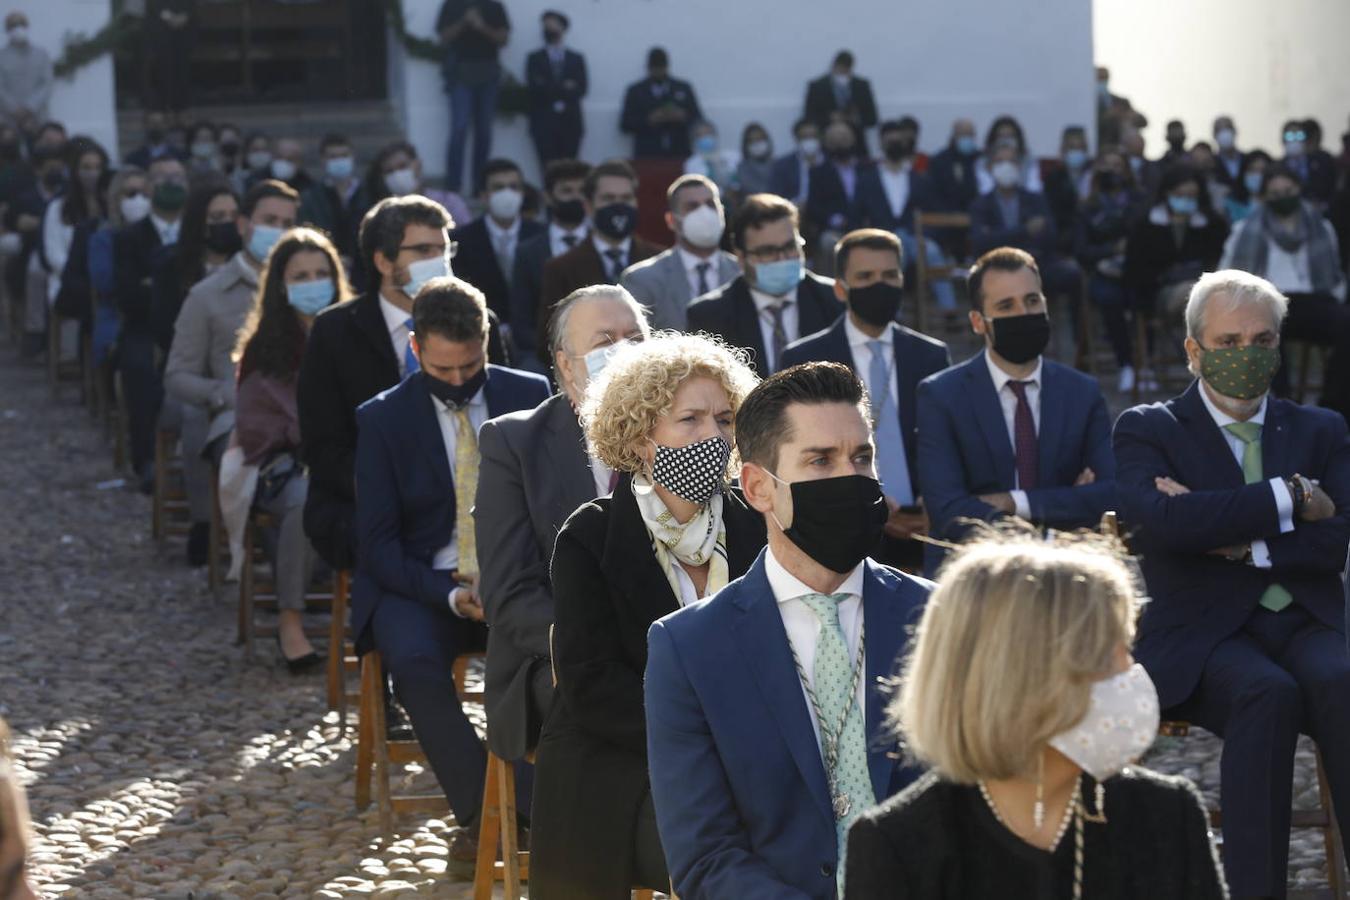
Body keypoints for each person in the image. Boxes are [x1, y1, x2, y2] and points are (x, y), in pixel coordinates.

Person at [646, 360, 931, 898]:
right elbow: (704, 857)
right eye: (820, 461)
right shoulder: (689, 648)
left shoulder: (940, 619)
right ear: (758, 488)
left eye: (861, 457)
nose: (849, 477)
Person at [1113, 270, 1350, 898]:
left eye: (1261, 339)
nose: (1247, 355)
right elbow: (1162, 525)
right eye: (1228, 342)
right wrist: (1290, 495)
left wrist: (1232, 536)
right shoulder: (1148, 427)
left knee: (1341, 679)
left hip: (1304, 619)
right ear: (1194, 351)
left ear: (1278, 344)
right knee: (1265, 694)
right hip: (1203, 634)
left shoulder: (1319, 429)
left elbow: (1334, 543)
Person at [844, 532, 1226, 900]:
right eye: (1109, 652)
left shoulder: (1167, 814)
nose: (1131, 672)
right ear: (1028, 678)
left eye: (1127, 646)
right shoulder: (899, 844)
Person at [531, 331, 765, 898]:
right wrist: (700, 740)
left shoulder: (760, 520)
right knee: (719, 862)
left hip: (756, 757)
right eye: (691, 420)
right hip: (625, 762)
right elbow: (590, 682)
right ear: (640, 439)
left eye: (725, 419)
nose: (713, 435)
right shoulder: (590, 534)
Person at [354, 276, 549, 866]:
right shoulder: (382, 419)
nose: (461, 382)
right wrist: (449, 594)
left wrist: (507, 583)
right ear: (415, 350)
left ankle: (521, 813)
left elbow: (551, 511)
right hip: (421, 585)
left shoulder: (529, 393)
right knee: (412, 664)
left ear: (488, 340)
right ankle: (497, 814)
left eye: (472, 366)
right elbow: (378, 545)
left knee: (551, 655)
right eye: (444, 370)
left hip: (516, 578)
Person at [475, 284, 650, 765]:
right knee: (626, 708)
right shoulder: (514, 443)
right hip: (554, 658)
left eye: (636, 338)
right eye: (604, 342)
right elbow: (509, 593)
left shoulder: (679, 434)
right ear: (567, 364)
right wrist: (602, 646)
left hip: (665, 652)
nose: (625, 352)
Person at [916, 247, 1116, 576]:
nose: (1023, 313)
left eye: (1032, 301)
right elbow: (948, 510)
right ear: (979, 322)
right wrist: (1062, 509)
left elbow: (1112, 493)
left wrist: (1013, 503)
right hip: (973, 575)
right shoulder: (941, 395)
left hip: (1066, 573)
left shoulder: (1082, 391)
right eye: (1006, 306)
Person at [299, 195, 458, 571]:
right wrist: (393, 492)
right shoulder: (334, 331)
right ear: (383, 260)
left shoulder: (477, 323)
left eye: (444, 249)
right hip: (364, 499)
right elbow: (322, 445)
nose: (439, 261)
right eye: (423, 250)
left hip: (464, 494)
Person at [781, 230, 950, 571]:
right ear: (841, 288)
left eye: (890, 275)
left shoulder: (930, 355)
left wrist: (932, 498)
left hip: (925, 527)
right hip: (846, 531)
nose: (880, 285)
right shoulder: (806, 358)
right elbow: (802, 453)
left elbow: (943, 441)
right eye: (866, 277)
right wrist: (868, 501)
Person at [233, 227, 348, 669]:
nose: (313, 283)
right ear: (281, 285)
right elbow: (255, 423)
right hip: (285, 466)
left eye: (322, 273)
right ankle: (291, 618)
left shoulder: (354, 333)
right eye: (301, 276)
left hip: (347, 455)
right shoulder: (265, 347)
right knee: (306, 502)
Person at [165, 179, 300, 471]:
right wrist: (220, 392)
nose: (278, 231)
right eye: (269, 221)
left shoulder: (313, 286)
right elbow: (177, 375)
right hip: (240, 416)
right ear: (243, 225)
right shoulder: (207, 295)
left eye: (287, 223)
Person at [1221, 165, 1350, 420]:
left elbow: (1335, 276)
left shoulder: (1322, 227)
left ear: (1298, 189)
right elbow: (1228, 275)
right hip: (1266, 301)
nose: (1283, 197)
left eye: (1288, 190)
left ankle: (1335, 406)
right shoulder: (1246, 229)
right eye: (1275, 193)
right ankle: (1283, 408)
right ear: (1265, 196)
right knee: (1267, 330)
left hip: (1315, 301)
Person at [688, 193, 841, 376]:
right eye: (768, 252)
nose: (782, 258)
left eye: (790, 247)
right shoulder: (711, 316)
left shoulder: (834, 300)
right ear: (742, 258)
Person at [114, 154, 189, 492]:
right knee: (140, 368)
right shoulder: (130, 237)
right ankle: (146, 459)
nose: (170, 184)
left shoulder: (197, 232)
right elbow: (127, 294)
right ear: (148, 187)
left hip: (191, 328)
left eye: (177, 177)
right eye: (162, 178)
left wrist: (155, 284)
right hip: (144, 327)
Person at [536, 159, 660, 351]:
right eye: (608, 199)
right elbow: (550, 340)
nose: (618, 206)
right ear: (588, 206)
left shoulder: (659, 260)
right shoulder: (561, 268)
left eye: (626, 198)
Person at [1123, 163, 1228, 378]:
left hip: (1208, 291)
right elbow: (1135, 269)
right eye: (1181, 194)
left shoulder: (1212, 225)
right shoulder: (1147, 225)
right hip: (1159, 294)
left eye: (1192, 195)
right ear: (1168, 193)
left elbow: (1220, 260)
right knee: (1192, 295)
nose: (1186, 200)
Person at [857, 118, 956, 311]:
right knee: (894, 255)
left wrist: (923, 235)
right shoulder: (868, 180)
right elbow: (857, 214)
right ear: (881, 143)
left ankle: (949, 311)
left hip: (914, 237)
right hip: (881, 238)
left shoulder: (919, 179)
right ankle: (893, 313)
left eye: (898, 141)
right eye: (890, 141)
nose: (894, 145)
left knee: (933, 250)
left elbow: (934, 213)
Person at [619, 173, 738, 331]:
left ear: (722, 213)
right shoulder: (642, 280)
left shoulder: (743, 273)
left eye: (710, 204)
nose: (704, 213)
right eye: (692, 207)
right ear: (671, 221)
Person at [1075, 148, 1147, 392]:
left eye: (1118, 166)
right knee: (1110, 298)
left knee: (1147, 295)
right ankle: (1125, 363)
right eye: (1107, 166)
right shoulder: (1089, 207)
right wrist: (1111, 250)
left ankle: (1145, 363)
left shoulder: (1139, 201)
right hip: (1103, 272)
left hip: (1136, 269)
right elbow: (1082, 250)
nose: (1113, 172)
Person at [508, 157, 590, 361]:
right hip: (546, 353)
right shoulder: (528, 251)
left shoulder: (603, 246)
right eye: (567, 191)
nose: (575, 198)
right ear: (548, 197)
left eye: (582, 191)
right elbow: (521, 320)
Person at [448, 158, 544, 333]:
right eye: (499, 187)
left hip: (535, 335)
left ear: (522, 193)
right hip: (482, 331)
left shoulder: (541, 235)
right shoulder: (460, 240)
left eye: (514, 187)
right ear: (484, 195)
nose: (507, 193)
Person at [437, 0, 510, 193]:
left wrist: (481, 26)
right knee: (459, 129)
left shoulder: (494, 6)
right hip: (460, 75)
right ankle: (454, 186)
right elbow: (443, 37)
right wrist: (464, 22)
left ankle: (480, 186)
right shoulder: (451, 5)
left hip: (488, 75)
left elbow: (503, 40)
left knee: (484, 132)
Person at [42, 138, 107, 312]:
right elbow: (53, 254)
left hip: (107, 281)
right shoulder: (58, 207)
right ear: (75, 170)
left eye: (97, 167)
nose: (93, 173)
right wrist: (83, 278)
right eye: (86, 167)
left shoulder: (111, 204)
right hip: (70, 281)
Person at [525, 10, 586, 168]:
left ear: (563, 27)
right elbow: (535, 88)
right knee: (547, 168)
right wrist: (564, 86)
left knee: (570, 169)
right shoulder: (534, 58)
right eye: (545, 25)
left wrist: (549, 85)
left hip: (571, 123)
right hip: (543, 122)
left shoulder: (576, 58)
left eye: (552, 24)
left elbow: (582, 88)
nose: (548, 28)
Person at [619, 47, 703, 160]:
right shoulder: (636, 91)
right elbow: (625, 125)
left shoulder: (683, 88)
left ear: (667, 66)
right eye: (655, 68)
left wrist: (682, 116)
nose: (658, 72)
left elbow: (698, 119)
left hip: (679, 153)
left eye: (661, 67)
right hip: (647, 155)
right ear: (648, 68)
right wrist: (649, 119)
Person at [298, 133, 361, 261]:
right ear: (323, 160)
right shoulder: (310, 198)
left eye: (344, 155)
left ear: (353, 156)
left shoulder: (369, 193)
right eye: (333, 157)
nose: (339, 161)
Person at [803, 50, 878, 157]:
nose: (843, 73)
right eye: (840, 69)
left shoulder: (862, 86)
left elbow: (873, 119)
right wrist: (829, 118)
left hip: (857, 146)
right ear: (833, 66)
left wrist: (857, 119)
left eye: (846, 70)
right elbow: (809, 117)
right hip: (827, 143)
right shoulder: (817, 87)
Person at [806, 121, 867, 250]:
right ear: (827, 143)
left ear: (853, 140)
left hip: (867, 224)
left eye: (844, 139)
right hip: (835, 228)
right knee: (829, 242)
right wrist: (834, 219)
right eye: (835, 140)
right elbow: (814, 206)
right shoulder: (819, 173)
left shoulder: (867, 168)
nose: (841, 144)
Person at [0, 12, 52, 137]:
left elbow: (47, 83)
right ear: (7, 30)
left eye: (20, 24)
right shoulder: (2, 56)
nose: (18, 29)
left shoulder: (41, 54)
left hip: (37, 117)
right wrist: (15, 109)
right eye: (13, 26)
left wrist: (30, 107)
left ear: (26, 27)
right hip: (9, 118)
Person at [144, 0, 193, 113]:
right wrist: (169, 17)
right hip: (159, 28)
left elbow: (191, 4)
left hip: (185, 28)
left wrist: (186, 15)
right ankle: (163, 105)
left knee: (182, 67)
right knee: (162, 67)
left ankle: (181, 106)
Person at [975, 116, 1043, 195]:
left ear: (1018, 139)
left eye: (1010, 136)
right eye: (1001, 136)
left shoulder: (1028, 160)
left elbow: (1034, 189)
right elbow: (984, 191)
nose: (1006, 141)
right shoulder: (983, 162)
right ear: (993, 140)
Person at [928, 118, 981, 217]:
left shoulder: (980, 159)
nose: (967, 138)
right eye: (963, 134)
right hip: (947, 219)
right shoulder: (940, 161)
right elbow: (934, 193)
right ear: (954, 136)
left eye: (970, 134)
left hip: (977, 216)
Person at [769, 118, 823, 210]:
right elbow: (775, 196)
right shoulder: (783, 165)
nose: (809, 141)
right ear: (796, 139)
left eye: (813, 136)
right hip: (792, 212)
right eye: (805, 137)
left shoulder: (830, 162)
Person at [1282, 119, 1337, 205]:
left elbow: (1332, 188)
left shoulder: (1323, 161)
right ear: (1283, 140)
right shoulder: (1278, 167)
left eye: (1299, 135)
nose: (1295, 140)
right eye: (1290, 136)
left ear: (1306, 139)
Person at [683, 120, 740, 198]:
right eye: (700, 135)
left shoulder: (733, 156)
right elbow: (697, 188)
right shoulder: (692, 163)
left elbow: (739, 181)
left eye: (708, 133)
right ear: (694, 140)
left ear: (715, 135)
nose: (705, 138)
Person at [1223, 149, 1271, 224]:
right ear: (1243, 173)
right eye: (1252, 170)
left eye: (1263, 171)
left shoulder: (1277, 201)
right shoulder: (1232, 202)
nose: (1257, 175)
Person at [736, 122, 775, 197]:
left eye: (759, 139)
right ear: (746, 145)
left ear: (767, 140)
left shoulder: (780, 165)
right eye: (751, 141)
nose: (757, 144)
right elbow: (761, 192)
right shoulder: (743, 168)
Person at [1212, 114, 1245, 187]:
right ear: (1214, 135)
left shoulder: (1247, 160)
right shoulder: (1211, 163)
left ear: (1235, 131)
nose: (1224, 133)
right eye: (1219, 129)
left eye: (1227, 128)